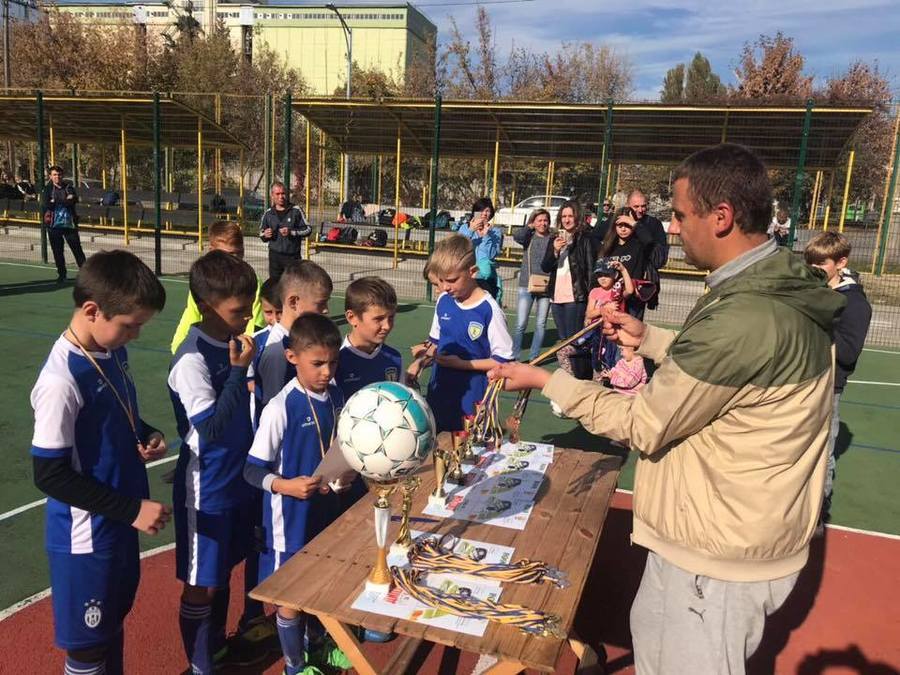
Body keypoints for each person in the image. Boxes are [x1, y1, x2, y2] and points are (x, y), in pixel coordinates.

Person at [489, 143, 845, 675]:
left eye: (679, 215)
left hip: (719, 552)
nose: (671, 229)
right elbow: (734, 370)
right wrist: (650, 338)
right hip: (713, 532)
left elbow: (643, 422)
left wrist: (548, 381)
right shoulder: (767, 285)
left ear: (721, 217)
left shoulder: (746, 315)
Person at [30, 250, 170, 675]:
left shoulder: (110, 352)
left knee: (110, 628)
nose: (135, 334)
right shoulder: (59, 381)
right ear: (92, 310)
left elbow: (116, 412)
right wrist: (132, 510)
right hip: (85, 538)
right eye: (130, 326)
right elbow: (49, 474)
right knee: (87, 649)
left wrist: (144, 433)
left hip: (117, 525)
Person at [244, 313, 353, 674]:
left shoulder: (337, 395)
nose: (327, 371)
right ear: (293, 357)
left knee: (319, 587)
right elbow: (251, 470)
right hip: (288, 520)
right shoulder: (279, 407)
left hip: (325, 512)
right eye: (318, 363)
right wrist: (286, 485)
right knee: (289, 599)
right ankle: (294, 666)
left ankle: (318, 650)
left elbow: (336, 448)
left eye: (333, 362)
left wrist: (344, 475)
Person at [168, 251, 260, 675]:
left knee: (222, 570)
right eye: (238, 311)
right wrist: (239, 373)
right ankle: (200, 665)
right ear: (206, 305)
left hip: (238, 480)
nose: (246, 319)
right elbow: (213, 430)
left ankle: (217, 647)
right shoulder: (191, 359)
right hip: (206, 490)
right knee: (200, 582)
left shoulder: (236, 343)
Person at [334, 276, 402, 643]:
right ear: (352, 318)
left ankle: (375, 610)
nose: (387, 326)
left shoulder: (393, 358)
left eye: (390, 317)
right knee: (344, 547)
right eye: (378, 319)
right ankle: (342, 618)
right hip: (344, 474)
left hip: (385, 476)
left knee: (381, 539)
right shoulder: (336, 361)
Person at [804, 232, 872, 526]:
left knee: (823, 453)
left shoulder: (855, 304)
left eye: (822, 263)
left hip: (828, 386)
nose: (814, 268)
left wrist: (818, 324)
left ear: (841, 262)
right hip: (799, 382)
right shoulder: (811, 290)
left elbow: (847, 353)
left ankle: (818, 512)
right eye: (811, 262)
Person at [426, 234, 514, 432]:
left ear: (472, 271)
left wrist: (463, 365)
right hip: (439, 393)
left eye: (452, 280)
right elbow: (434, 343)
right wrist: (419, 363)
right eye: (441, 280)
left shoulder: (488, 309)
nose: (445, 287)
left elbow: (503, 362)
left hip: (473, 398)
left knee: (470, 454)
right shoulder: (443, 301)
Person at [170, 221, 265, 354]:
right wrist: (182, 348)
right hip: (197, 350)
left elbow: (254, 325)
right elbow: (193, 316)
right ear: (211, 251)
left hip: (232, 352)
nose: (236, 259)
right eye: (229, 254)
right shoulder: (205, 278)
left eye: (239, 253)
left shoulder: (252, 281)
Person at [251, 260, 333, 412]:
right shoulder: (276, 352)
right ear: (294, 302)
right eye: (321, 303)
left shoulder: (307, 338)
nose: (326, 310)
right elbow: (272, 409)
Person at [541, 199, 599, 342]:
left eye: (570, 216)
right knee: (562, 339)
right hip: (557, 295)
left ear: (577, 217)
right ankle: (566, 365)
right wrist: (555, 250)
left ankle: (576, 364)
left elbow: (591, 269)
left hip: (576, 295)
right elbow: (545, 267)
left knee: (574, 338)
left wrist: (592, 297)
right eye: (564, 216)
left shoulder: (585, 238)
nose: (567, 220)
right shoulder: (555, 238)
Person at [512, 208, 553, 362]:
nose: (543, 223)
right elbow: (517, 236)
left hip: (546, 286)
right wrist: (528, 227)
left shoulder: (553, 238)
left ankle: (534, 356)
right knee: (520, 324)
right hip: (526, 285)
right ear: (533, 222)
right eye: (539, 220)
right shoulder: (528, 237)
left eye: (545, 220)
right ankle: (514, 356)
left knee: (541, 324)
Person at [42, 165, 86, 283]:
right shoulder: (47, 189)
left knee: (77, 250)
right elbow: (48, 204)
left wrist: (57, 200)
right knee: (58, 251)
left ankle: (86, 275)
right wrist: (65, 200)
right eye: (55, 175)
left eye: (59, 174)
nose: (57, 177)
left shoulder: (68, 187)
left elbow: (73, 200)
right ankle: (62, 275)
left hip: (69, 225)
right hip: (53, 226)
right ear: (50, 176)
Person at [259, 181, 311, 281]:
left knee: (293, 284)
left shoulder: (296, 210)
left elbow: (308, 229)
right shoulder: (268, 213)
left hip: (292, 257)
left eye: (283, 193)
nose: (281, 196)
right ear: (272, 196)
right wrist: (265, 234)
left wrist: (292, 232)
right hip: (274, 257)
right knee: (275, 285)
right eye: (277, 194)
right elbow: (261, 233)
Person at [457, 197, 503, 301]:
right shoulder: (464, 228)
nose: (484, 214)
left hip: (486, 277)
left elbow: (492, 255)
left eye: (487, 211)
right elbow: (459, 248)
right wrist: (471, 230)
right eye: (481, 210)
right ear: (475, 212)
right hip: (467, 275)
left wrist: (486, 236)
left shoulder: (495, 232)